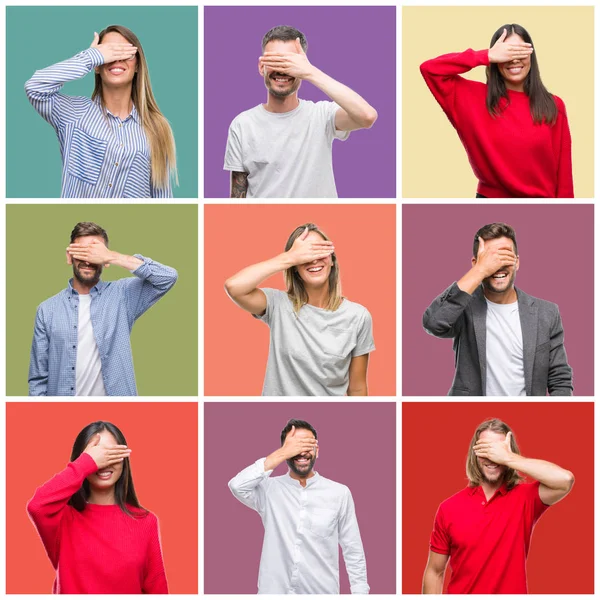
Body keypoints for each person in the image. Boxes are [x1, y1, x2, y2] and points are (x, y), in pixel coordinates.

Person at [420, 24, 573, 198]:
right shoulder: (471, 98)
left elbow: (564, 173)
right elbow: (430, 69)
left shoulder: (553, 105)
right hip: (490, 201)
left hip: (542, 206)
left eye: (519, 51)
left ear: (532, 55)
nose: (514, 59)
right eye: (507, 52)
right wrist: (485, 55)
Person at [422, 418, 574, 594]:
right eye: (485, 450)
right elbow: (434, 572)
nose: (492, 458)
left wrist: (508, 458)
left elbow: (565, 480)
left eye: (497, 451)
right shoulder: (448, 508)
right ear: (475, 454)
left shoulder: (526, 497)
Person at [224, 25, 378, 198]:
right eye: (274, 61)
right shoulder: (242, 124)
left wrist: (311, 72)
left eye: (290, 62)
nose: (282, 69)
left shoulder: (322, 115)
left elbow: (367, 116)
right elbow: (237, 199)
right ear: (261, 67)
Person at [25, 25, 177, 198]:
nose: (117, 59)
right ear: (97, 66)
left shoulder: (156, 128)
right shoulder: (73, 114)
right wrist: (92, 56)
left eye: (125, 52)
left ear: (137, 66)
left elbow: (163, 200)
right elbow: (35, 87)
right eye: (110, 51)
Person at [28, 221, 177, 396]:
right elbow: (38, 380)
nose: (88, 260)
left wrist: (114, 257)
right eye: (82, 251)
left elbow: (168, 277)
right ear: (70, 257)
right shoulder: (47, 310)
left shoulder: (123, 295)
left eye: (95, 252)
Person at [423, 222, 573, 396]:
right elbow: (433, 323)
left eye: (505, 256)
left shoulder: (547, 313)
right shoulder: (463, 307)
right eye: (491, 258)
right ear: (476, 263)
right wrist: (480, 270)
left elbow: (559, 378)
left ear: (517, 262)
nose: (498, 265)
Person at [224, 223, 375, 396]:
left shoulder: (358, 316)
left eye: (319, 251)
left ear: (332, 259)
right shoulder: (278, 304)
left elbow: (357, 387)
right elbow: (234, 287)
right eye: (305, 254)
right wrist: (289, 258)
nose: (314, 260)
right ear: (295, 267)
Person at [228, 419, 369, 594]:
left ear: (318, 451)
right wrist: (281, 453)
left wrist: (360, 593)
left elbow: (352, 547)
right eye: (295, 445)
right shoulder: (268, 490)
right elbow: (237, 486)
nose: (301, 452)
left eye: (308, 444)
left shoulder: (339, 493)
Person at [27, 421, 168, 594]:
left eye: (112, 454)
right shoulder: (64, 519)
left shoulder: (146, 522)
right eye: (98, 455)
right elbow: (37, 506)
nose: (104, 463)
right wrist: (86, 463)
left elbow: (156, 588)